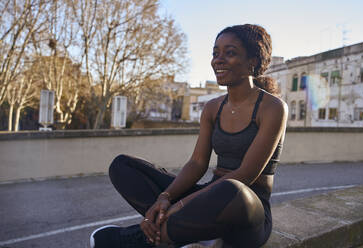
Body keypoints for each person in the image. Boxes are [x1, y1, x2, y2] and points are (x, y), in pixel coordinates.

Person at [90, 24, 288, 248]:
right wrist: (165, 197)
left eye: (230, 53)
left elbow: (245, 174)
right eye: (215, 53)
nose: (218, 60)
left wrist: (180, 206)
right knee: (123, 166)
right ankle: (174, 231)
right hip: (208, 197)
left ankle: (143, 238)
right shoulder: (212, 108)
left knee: (233, 188)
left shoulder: (273, 107)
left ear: (253, 60)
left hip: (247, 211)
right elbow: (197, 163)